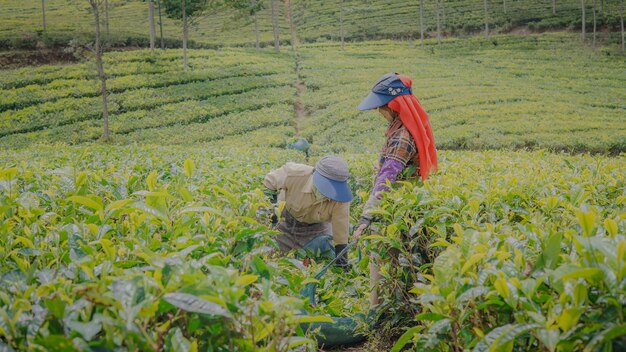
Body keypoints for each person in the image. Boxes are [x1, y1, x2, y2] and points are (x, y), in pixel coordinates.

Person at [353, 72, 438, 306]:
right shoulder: (399, 127)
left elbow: (386, 180)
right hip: (399, 206)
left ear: (393, 106)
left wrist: (366, 216)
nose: (378, 112)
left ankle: (377, 312)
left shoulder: (402, 135)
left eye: (381, 107)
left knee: (381, 257)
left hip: (395, 209)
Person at [263, 155, 353, 267]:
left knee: (313, 264)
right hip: (286, 222)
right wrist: (272, 212)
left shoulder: (340, 198)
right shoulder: (295, 173)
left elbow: (341, 229)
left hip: (317, 230)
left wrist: (342, 259)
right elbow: (269, 182)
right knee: (276, 261)